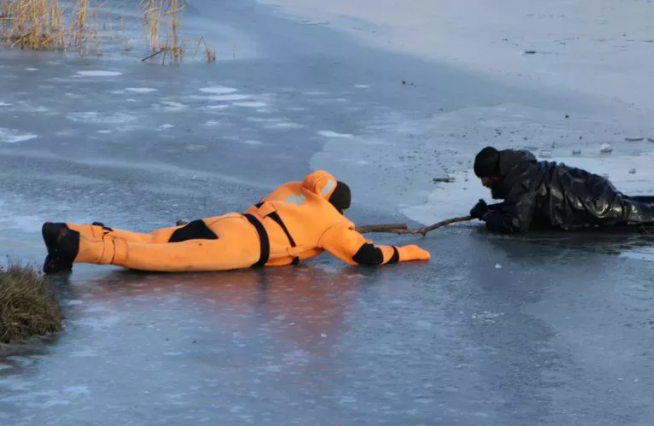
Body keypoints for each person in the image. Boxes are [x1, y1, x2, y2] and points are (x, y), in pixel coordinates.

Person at [41, 170, 431, 273]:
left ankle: (72, 231)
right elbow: (366, 256)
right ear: (341, 208)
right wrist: (409, 252)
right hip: (243, 246)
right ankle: (80, 248)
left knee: (154, 239)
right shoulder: (334, 224)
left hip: (230, 220)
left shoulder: (295, 189)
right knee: (162, 259)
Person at [468, 146, 654, 234]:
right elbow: (528, 204)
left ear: (496, 174)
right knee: (639, 206)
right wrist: (497, 208)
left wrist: (485, 215)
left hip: (594, 205)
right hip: (589, 188)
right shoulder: (522, 165)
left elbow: (517, 225)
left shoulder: (520, 184)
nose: (484, 184)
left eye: (486, 179)